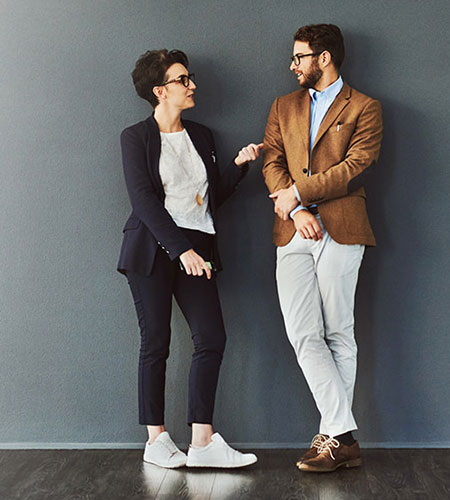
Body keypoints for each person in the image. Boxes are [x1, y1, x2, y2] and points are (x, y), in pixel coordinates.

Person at [118, 49, 260, 469]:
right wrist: (181, 250)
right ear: (160, 91)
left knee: (211, 338)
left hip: (198, 246)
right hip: (152, 248)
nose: (192, 84)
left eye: (189, 77)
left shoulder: (202, 135)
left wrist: (237, 167)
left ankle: (202, 442)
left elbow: (208, 196)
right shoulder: (135, 137)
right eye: (183, 79)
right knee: (156, 342)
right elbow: (143, 200)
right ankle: (156, 440)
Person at [262, 24, 383, 472]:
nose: (293, 65)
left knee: (338, 333)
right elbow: (273, 160)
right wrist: (295, 209)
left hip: (344, 227)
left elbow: (357, 166)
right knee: (302, 333)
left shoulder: (365, 108)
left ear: (324, 57)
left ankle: (332, 441)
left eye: (299, 57)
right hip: (293, 230)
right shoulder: (283, 105)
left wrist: (301, 193)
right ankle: (343, 434)